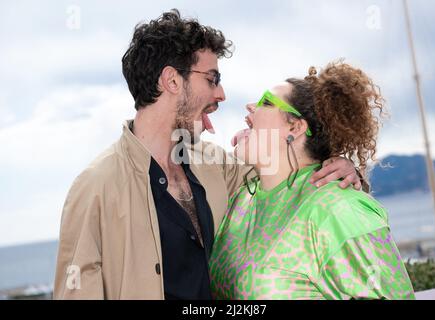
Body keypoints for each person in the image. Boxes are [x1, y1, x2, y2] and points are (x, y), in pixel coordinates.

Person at [53, 10, 360, 300]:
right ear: (172, 80)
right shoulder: (96, 186)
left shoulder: (218, 165)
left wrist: (340, 164)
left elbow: (291, 172)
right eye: (211, 79)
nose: (222, 94)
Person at [209, 62, 415, 300]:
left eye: (266, 102)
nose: (250, 107)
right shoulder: (241, 201)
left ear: (295, 127)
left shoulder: (338, 210)